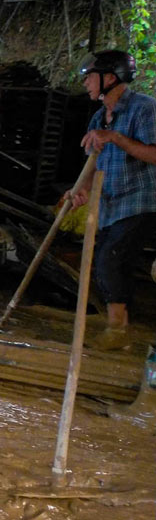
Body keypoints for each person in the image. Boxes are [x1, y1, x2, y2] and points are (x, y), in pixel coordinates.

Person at [66, 50, 156, 351]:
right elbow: (94, 167)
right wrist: (81, 192)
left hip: (141, 201)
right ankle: (119, 325)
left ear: (111, 77)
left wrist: (116, 137)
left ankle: (118, 331)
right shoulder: (97, 116)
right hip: (111, 206)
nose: (87, 83)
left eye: (90, 76)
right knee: (102, 262)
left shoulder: (144, 109)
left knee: (111, 259)